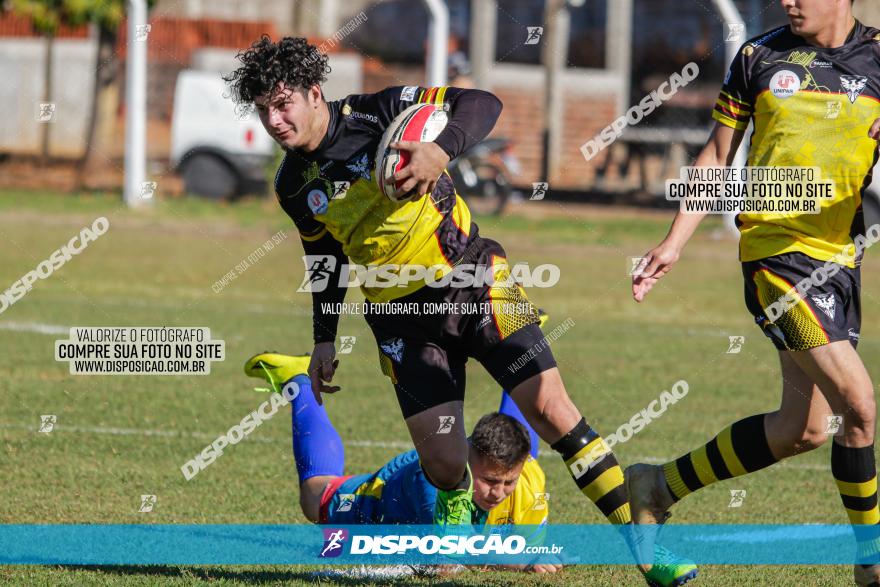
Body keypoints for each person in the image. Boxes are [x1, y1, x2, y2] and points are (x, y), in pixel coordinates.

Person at [224, 36, 695, 586]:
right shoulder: (292, 183)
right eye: (263, 110)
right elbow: (323, 253)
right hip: (400, 318)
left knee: (551, 408)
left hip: (477, 278)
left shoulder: (378, 111)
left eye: (283, 105)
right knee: (446, 462)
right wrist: (323, 337)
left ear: (313, 94)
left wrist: (440, 148)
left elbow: (481, 103)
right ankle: (452, 517)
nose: (275, 120)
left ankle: (644, 549)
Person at [628, 1, 880, 585]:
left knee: (803, 431)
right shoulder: (759, 55)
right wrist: (674, 241)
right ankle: (869, 565)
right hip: (775, 259)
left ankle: (657, 486)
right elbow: (718, 155)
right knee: (860, 407)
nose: (790, 0)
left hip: (840, 262)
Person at [244, 351, 560, 574]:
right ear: (466, 456)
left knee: (511, 445)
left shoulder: (525, 474)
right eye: (490, 481)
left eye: (508, 482)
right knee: (315, 498)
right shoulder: (438, 483)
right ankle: (298, 381)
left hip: (455, 468)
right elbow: (452, 556)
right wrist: (521, 562)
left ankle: (523, 350)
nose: (499, 492)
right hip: (383, 497)